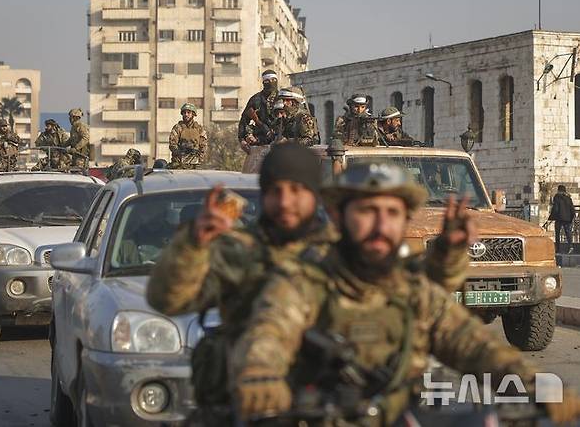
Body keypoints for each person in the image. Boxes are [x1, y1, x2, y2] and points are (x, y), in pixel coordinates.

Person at [231, 162, 580, 426]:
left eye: (393, 214)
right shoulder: (303, 282)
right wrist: (262, 377)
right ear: (338, 216)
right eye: (368, 212)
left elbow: (472, 343)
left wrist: (537, 386)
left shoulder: (413, 291)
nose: (382, 226)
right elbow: (269, 332)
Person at [148, 144, 338, 424]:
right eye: (276, 191)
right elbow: (167, 299)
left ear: (315, 194)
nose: (285, 202)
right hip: (247, 404)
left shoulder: (341, 253)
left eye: (297, 190)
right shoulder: (238, 251)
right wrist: (194, 245)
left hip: (327, 404)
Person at [239, 70, 280, 153]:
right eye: (267, 81)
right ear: (263, 82)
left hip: (279, 142)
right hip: (259, 143)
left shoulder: (282, 98)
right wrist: (242, 139)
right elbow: (244, 120)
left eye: (273, 80)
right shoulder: (256, 99)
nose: (271, 83)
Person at [168, 103, 207, 169]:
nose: (186, 114)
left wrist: (199, 156)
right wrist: (181, 151)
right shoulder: (178, 128)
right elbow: (172, 144)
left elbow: (203, 145)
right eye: (184, 112)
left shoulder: (199, 129)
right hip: (179, 163)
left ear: (193, 114)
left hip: (196, 163)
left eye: (188, 112)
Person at [548, 185, 576, 253]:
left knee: (557, 233)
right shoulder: (568, 198)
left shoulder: (557, 197)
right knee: (568, 233)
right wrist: (571, 218)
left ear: (559, 190)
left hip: (559, 218)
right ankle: (571, 246)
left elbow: (555, 209)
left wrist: (551, 217)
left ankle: (558, 249)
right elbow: (572, 209)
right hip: (567, 219)